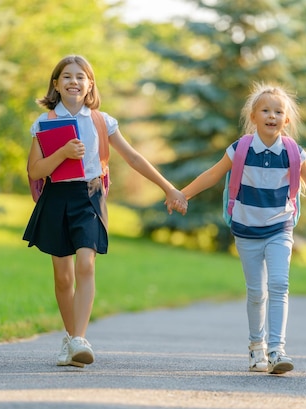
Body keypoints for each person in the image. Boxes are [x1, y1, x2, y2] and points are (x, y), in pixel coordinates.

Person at [23, 55, 187, 368]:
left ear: (90, 85)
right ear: (55, 84)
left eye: (81, 76)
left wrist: (169, 188)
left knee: (86, 262)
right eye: (67, 76)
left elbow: (134, 158)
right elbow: (35, 170)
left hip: (89, 195)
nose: (74, 81)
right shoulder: (45, 123)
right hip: (57, 198)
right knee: (62, 276)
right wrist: (62, 152)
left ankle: (80, 340)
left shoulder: (101, 121)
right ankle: (71, 339)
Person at [178, 83, 306, 374]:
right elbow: (213, 175)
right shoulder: (240, 149)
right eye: (265, 110)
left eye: (279, 111)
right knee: (256, 293)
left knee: (279, 285)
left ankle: (277, 350)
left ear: (286, 120)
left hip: (280, 227)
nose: (272, 115)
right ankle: (257, 348)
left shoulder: (293, 153)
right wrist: (183, 194)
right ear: (253, 116)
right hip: (246, 229)